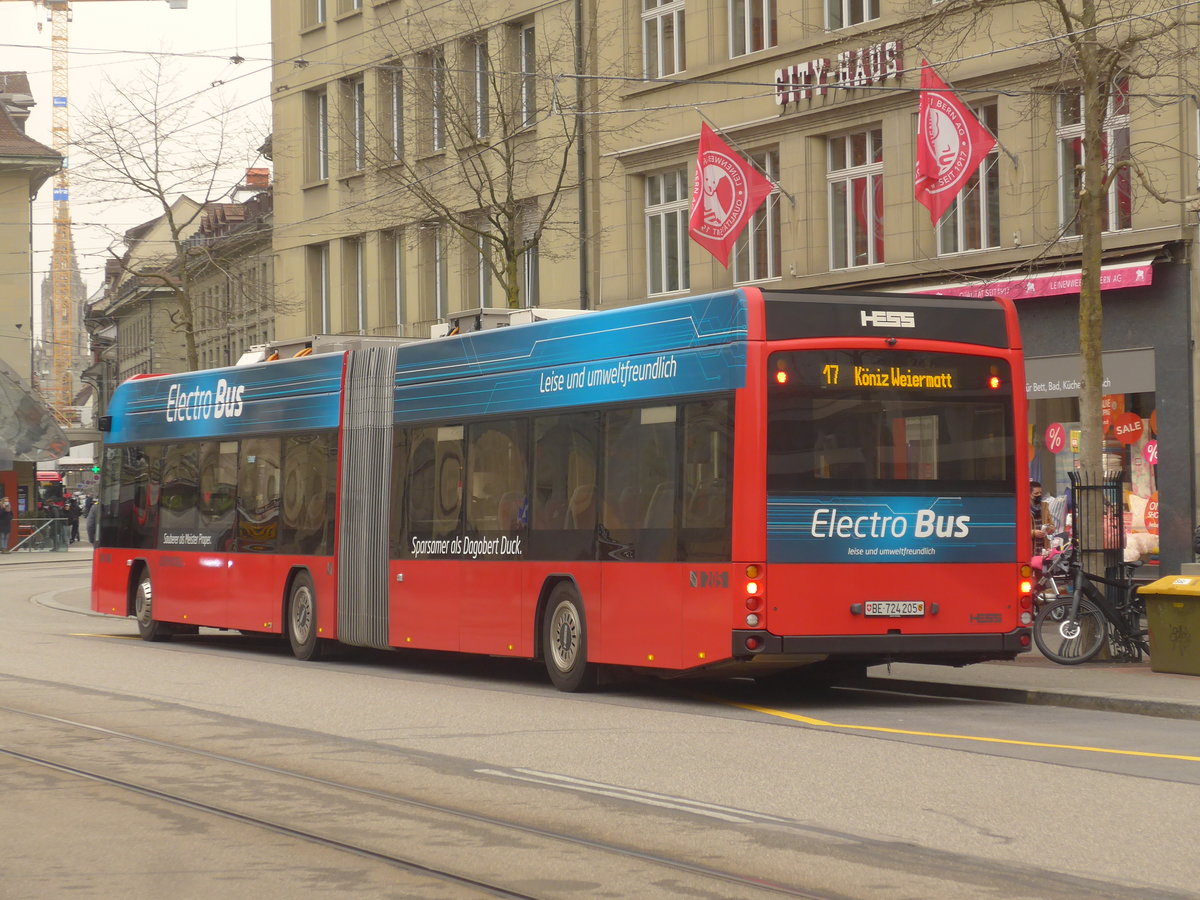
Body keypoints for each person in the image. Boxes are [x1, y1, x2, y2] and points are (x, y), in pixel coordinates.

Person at [1031, 481, 1052, 554]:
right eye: (1036, 493)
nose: (1039, 495)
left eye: (1040, 493)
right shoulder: (1022, 508)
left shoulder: (1044, 506)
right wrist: (1033, 533)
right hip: (1030, 549)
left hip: (1044, 548)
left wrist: (1050, 529)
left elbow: (1052, 524)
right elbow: (1019, 530)